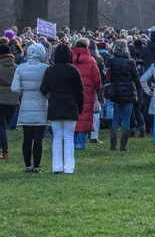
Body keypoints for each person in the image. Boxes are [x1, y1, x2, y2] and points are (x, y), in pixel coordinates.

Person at [39, 43, 85, 174]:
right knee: (69, 137)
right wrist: (80, 107)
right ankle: (69, 167)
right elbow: (79, 91)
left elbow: (43, 89)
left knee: (57, 137)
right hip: (71, 105)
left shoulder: (50, 70)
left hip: (55, 105)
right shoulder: (73, 70)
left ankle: (57, 166)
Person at [11, 43, 49, 171]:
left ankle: (27, 165)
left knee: (27, 138)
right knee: (38, 138)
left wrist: (24, 93)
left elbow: (14, 88)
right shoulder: (45, 68)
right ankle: (37, 166)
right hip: (41, 103)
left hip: (26, 103)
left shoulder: (21, 68)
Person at [106, 39, 141, 152]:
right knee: (126, 118)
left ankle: (113, 144)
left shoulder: (111, 60)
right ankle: (123, 145)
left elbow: (108, 74)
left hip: (116, 90)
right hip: (128, 90)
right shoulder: (130, 61)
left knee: (116, 117)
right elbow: (136, 77)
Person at [71, 40, 102, 151]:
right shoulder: (91, 61)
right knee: (84, 117)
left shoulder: (70, 59)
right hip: (87, 92)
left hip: (72, 91)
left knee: (73, 117)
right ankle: (80, 144)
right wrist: (96, 91)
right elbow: (97, 80)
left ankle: (72, 143)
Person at [0, 43, 18, 159]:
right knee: (4, 125)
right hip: (13, 99)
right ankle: (4, 151)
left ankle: (5, 151)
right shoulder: (17, 67)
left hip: (1, 98)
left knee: (1, 126)